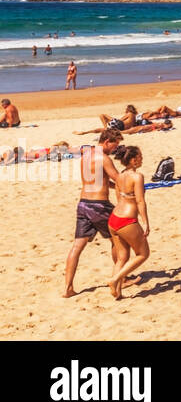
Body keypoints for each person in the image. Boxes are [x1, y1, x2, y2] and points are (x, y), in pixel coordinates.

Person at [64, 127, 124, 297]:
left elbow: (100, 180)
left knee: (77, 246)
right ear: (106, 141)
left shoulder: (85, 156)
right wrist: (133, 184)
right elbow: (117, 179)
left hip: (83, 204)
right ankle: (121, 278)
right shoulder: (103, 158)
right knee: (118, 239)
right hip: (100, 206)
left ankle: (68, 288)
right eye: (115, 144)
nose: (115, 148)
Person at [106, 145, 150, 299]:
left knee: (122, 257)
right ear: (132, 160)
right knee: (143, 254)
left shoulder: (120, 176)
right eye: (140, 156)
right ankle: (115, 279)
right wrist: (145, 222)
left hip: (114, 218)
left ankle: (117, 292)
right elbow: (140, 201)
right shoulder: (137, 177)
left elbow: (119, 198)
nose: (142, 158)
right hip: (127, 220)